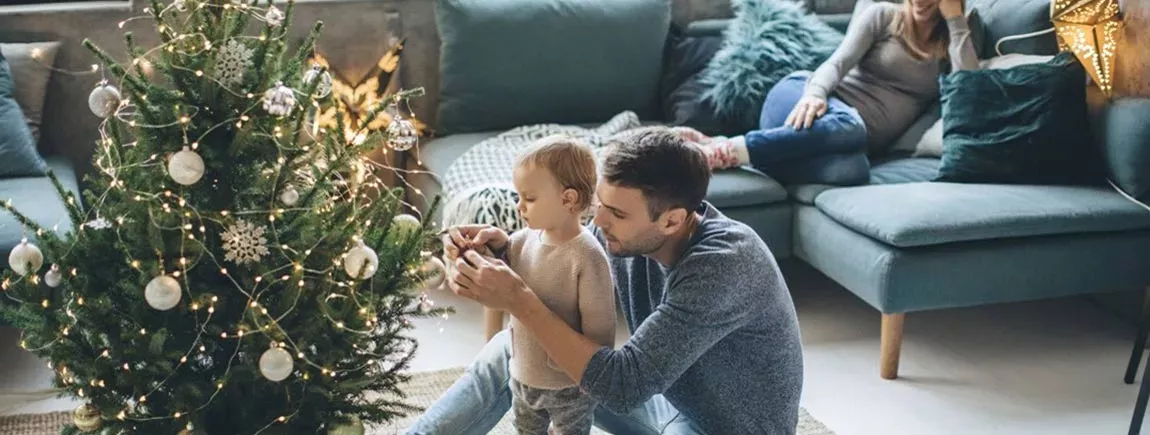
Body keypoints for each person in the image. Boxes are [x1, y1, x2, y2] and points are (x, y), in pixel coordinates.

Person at [406, 129, 803, 435]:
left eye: (616, 213)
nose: (598, 221)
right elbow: (564, 260)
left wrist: (517, 300)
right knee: (512, 349)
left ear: (672, 220)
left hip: (723, 428)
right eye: (598, 204)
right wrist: (504, 251)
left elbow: (621, 386)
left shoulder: (724, 264)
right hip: (665, 401)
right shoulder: (622, 235)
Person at [683, 0, 978, 185]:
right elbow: (837, 63)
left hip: (843, 144)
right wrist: (815, 94)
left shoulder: (955, 40)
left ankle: (732, 147)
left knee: (853, 172)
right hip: (800, 99)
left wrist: (955, 20)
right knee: (850, 125)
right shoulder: (883, 16)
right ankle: (722, 153)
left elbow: (970, 91)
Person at [495, 136, 616, 435]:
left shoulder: (588, 256)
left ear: (568, 199)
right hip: (522, 375)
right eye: (518, 197)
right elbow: (497, 292)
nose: (519, 207)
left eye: (529, 198)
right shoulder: (520, 241)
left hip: (569, 387)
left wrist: (593, 380)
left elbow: (601, 331)